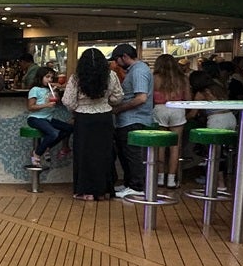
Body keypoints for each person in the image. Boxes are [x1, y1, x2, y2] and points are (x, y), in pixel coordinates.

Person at [62, 48, 123, 201]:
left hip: (83, 119)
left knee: (84, 155)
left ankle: (84, 191)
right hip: (104, 118)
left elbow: (68, 101)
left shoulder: (76, 78)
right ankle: (103, 191)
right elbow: (118, 98)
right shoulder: (111, 76)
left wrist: (78, 107)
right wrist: (105, 101)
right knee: (104, 155)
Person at [108, 44, 154, 198]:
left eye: (116, 59)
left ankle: (137, 187)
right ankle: (129, 184)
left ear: (125, 56)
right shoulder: (135, 70)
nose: (116, 63)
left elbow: (141, 98)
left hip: (134, 119)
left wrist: (118, 109)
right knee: (126, 154)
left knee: (132, 155)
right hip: (129, 119)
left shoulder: (139, 71)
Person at [150, 53, 189, 188]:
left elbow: (149, 98)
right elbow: (188, 98)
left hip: (160, 109)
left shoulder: (155, 78)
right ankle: (171, 179)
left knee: (161, 145)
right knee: (175, 146)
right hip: (178, 108)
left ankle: (160, 177)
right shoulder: (182, 78)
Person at [26, 66, 71, 166]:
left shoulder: (49, 90)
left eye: (51, 77)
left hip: (47, 119)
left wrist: (55, 93)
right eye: (47, 77)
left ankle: (46, 147)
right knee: (53, 133)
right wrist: (46, 104)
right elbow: (30, 107)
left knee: (69, 128)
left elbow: (57, 100)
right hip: (35, 118)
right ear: (40, 77)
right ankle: (36, 154)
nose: (50, 79)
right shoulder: (35, 89)